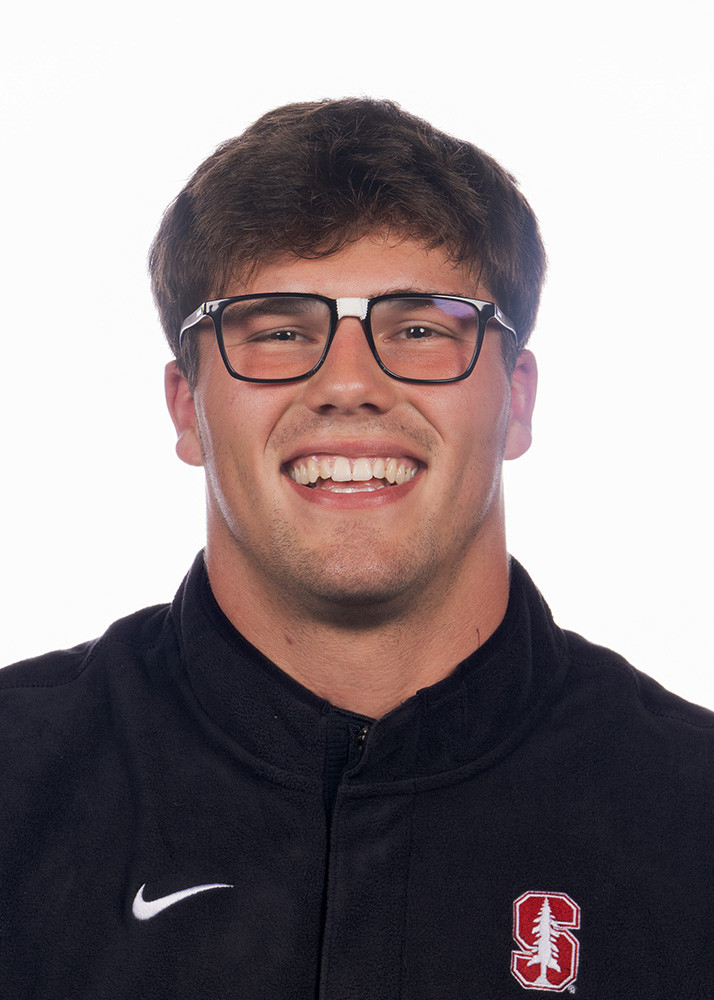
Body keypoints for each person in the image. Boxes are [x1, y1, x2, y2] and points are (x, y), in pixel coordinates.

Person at [1, 99, 711, 1000]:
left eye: (419, 328)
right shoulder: (17, 784)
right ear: (186, 408)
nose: (348, 383)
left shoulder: (692, 813)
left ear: (517, 402)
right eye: (278, 330)